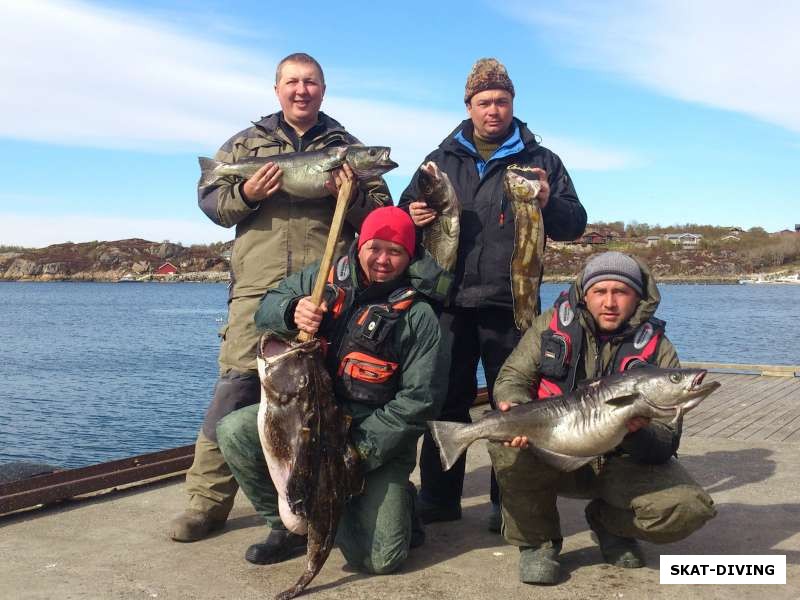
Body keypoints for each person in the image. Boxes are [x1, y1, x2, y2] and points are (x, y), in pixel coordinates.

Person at [170, 53, 390, 542]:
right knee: (235, 390)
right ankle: (205, 504)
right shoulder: (244, 144)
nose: (301, 90)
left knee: (325, 392)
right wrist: (247, 192)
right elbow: (212, 203)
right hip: (255, 291)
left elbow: (380, 215)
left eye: (311, 82)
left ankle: (321, 501)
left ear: (323, 89)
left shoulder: (346, 147)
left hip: (324, 288)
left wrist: (349, 197)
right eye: (292, 81)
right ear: (277, 90)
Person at [398, 58, 587, 531]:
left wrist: (549, 201)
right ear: (468, 105)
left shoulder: (543, 161)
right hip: (448, 305)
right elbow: (403, 215)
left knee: (515, 407)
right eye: (484, 102)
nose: (494, 110)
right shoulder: (439, 160)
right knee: (444, 402)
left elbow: (573, 225)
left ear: (512, 104)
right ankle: (440, 499)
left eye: (502, 101)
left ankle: (510, 502)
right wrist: (412, 215)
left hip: (513, 307)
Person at [216, 206, 450, 573]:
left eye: (395, 252)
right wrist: (293, 310)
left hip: (370, 432)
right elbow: (265, 308)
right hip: (309, 420)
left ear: (409, 257)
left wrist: (353, 455)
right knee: (234, 431)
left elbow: (420, 401)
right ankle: (289, 526)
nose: (383, 260)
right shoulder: (324, 276)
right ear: (360, 246)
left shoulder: (419, 316)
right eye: (375, 248)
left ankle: (395, 504)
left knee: (379, 560)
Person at [487, 251, 717, 585]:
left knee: (689, 507)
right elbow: (512, 377)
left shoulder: (659, 348)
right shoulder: (550, 324)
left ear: (637, 297)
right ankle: (537, 542)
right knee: (506, 447)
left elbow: (666, 441)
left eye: (621, 292)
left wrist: (640, 433)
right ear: (585, 294)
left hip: (619, 461)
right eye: (600, 291)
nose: (609, 302)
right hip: (556, 445)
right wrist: (514, 405)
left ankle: (610, 524)